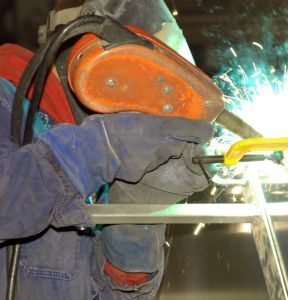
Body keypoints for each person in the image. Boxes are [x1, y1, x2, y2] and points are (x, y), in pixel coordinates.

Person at [0, 0, 211, 299]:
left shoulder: (101, 171)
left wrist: (136, 215)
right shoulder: (6, 97)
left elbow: (118, 294)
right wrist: (105, 146)